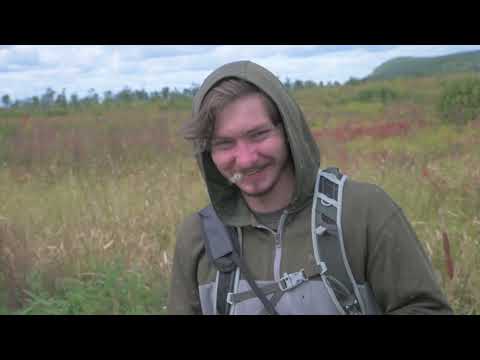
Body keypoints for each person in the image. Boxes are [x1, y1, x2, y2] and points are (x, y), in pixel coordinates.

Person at [167, 60, 453, 315]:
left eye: (258, 134)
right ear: (207, 152)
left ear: (288, 130)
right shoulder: (197, 237)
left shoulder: (364, 212)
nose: (245, 159)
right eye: (224, 143)